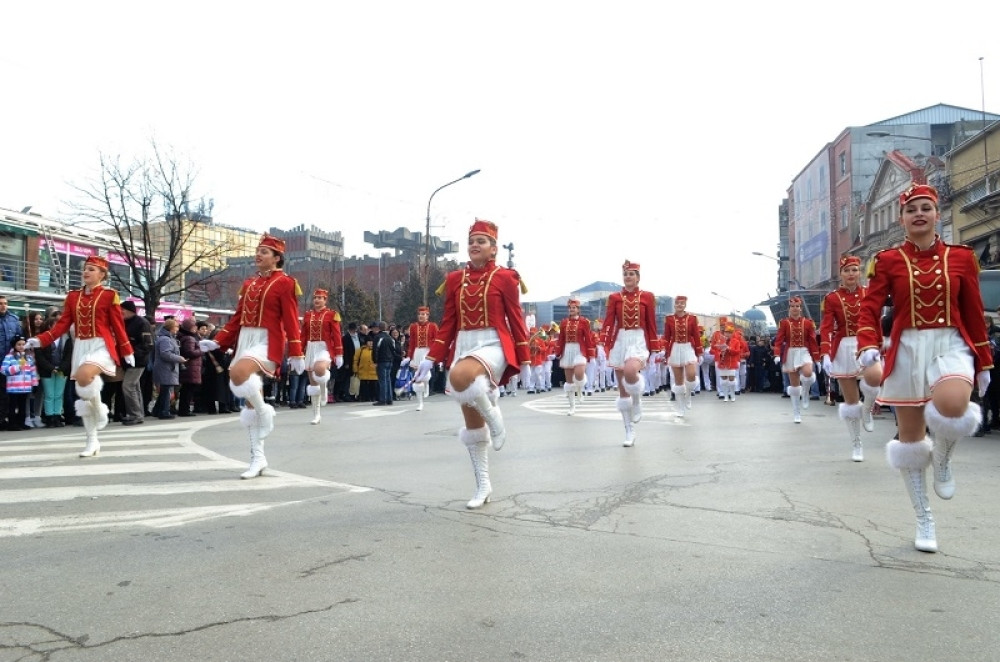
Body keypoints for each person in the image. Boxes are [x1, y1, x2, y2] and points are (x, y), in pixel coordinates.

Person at [856, 183, 991, 553]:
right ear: (902, 218)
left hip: (950, 342)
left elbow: (974, 311)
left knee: (953, 405)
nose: (919, 213)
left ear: (937, 214)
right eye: (912, 208)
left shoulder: (962, 258)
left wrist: (983, 360)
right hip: (907, 347)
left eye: (926, 207)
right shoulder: (887, 260)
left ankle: (944, 458)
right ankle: (924, 518)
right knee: (911, 441)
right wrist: (868, 343)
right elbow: (869, 307)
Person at [412, 219, 530, 509]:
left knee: (460, 376)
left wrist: (524, 358)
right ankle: (483, 485)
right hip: (464, 343)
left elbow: (515, 318)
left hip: (493, 343)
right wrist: (431, 357)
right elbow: (450, 322)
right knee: (472, 427)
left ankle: (495, 418)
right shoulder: (454, 279)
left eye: (482, 241)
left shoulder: (505, 277)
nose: (475, 245)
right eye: (472, 240)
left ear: (493, 249)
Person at [200, 234, 305, 479]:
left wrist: (297, 351)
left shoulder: (286, 283)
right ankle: (257, 457)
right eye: (258, 251)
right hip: (245, 339)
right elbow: (237, 318)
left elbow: (290, 318)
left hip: (267, 341)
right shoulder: (249, 284)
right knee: (248, 402)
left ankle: (265, 411)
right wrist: (217, 341)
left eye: (265, 252)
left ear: (277, 258)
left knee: (238, 373)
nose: (258, 255)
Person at [27, 256, 134, 457]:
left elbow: (118, 325)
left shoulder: (109, 295)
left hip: (101, 344)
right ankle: (92, 439)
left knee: (85, 376)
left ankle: (101, 411)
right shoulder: (73, 297)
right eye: (85, 269)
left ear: (102, 274)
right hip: (81, 345)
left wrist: (127, 349)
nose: (86, 272)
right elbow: (62, 325)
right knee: (83, 390)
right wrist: (41, 340)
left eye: (92, 269)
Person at [819, 255, 883, 461]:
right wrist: (825, 354)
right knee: (850, 400)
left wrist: (881, 343)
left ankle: (868, 409)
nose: (851, 274)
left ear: (860, 272)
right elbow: (827, 327)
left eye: (855, 270)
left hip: (867, 343)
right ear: (841, 274)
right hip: (844, 346)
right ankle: (857, 443)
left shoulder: (869, 293)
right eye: (847, 270)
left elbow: (876, 320)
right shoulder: (832, 298)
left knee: (875, 380)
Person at [598, 260, 659, 447]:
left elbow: (650, 323)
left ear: (638, 277)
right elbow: (609, 322)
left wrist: (654, 346)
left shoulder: (647, 297)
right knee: (623, 392)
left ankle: (638, 400)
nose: (628, 277)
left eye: (632, 274)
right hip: (620, 340)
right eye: (625, 274)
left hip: (638, 339)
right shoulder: (615, 297)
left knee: (631, 371)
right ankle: (629, 431)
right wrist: (603, 343)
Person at [772, 296, 820, 424]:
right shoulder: (784, 323)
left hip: (804, 351)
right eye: (792, 306)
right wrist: (777, 354)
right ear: (789, 308)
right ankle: (797, 413)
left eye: (797, 306)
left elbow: (813, 341)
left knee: (808, 373)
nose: (795, 309)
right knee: (794, 386)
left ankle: (806, 392)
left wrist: (817, 358)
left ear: (801, 308)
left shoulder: (808, 322)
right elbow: (779, 340)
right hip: (791, 353)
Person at [300, 288, 343, 424]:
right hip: (311, 347)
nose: (317, 300)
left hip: (324, 348)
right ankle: (316, 414)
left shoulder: (332, 314)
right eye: (315, 298)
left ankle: (324, 387)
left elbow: (336, 335)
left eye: (320, 298)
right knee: (313, 384)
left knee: (320, 369)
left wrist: (339, 353)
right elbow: (303, 335)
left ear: (325, 300)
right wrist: (298, 352)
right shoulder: (307, 315)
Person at [663, 295, 703, 417]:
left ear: (685, 305)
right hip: (675, 348)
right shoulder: (669, 319)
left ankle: (689, 394)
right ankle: (680, 407)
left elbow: (696, 335)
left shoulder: (692, 318)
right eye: (677, 303)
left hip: (688, 348)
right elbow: (666, 337)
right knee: (678, 381)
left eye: (682, 303)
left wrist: (699, 352)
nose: (679, 305)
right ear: (674, 304)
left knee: (691, 375)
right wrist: (666, 352)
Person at [556, 298, 595, 415]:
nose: (571, 310)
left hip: (579, 349)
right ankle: (572, 406)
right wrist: (558, 351)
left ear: (578, 310)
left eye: (574, 308)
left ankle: (580, 388)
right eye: (570, 308)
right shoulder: (563, 323)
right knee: (569, 381)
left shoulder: (584, 322)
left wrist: (591, 353)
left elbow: (588, 338)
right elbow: (561, 338)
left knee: (579, 373)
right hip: (568, 349)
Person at [35, 308, 72, 427]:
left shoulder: (66, 339)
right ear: (49, 326)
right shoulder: (42, 339)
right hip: (47, 371)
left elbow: (68, 355)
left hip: (62, 370)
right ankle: (50, 417)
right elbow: (40, 357)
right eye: (54, 325)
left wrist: (61, 368)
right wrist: (51, 368)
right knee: (49, 394)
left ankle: (57, 416)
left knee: (59, 394)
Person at [119, 301, 153, 425]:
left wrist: (131, 353)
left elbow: (148, 344)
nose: (120, 312)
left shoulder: (142, 323)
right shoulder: (126, 322)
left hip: (138, 361)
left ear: (130, 311)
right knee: (134, 387)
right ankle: (138, 413)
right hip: (129, 360)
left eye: (122, 310)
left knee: (128, 386)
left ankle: (135, 414)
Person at [406, 306, 439, 411]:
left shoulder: (433, 326)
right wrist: (409, 356)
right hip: (417, 351)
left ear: (427, 315)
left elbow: (437, 340)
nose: (421, 316)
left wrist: (435, 353)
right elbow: (411, 342)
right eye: (419, 314)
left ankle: (427, 383)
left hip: (428, 352)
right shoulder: (413, 326)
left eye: (423, 314)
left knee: (426, 373)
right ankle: (420, 403)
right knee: (417, 376)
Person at [3, 336, 38, 430]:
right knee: (13, 406)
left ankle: (21, 422)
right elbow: (3, 370)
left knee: (22, 405)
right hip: (13, 387)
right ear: (14, 345)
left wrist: (34, 384)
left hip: (25, 387)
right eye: (19, 344)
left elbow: (32, 371)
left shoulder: (28, 357)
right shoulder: (9, 357)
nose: (21, 346)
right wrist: (17, 367)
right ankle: (12, 423)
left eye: (23, 344)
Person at [152, 319, 184, 419]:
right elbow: (165, 354)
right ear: (170, 327)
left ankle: (157, 410)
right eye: (176, 327)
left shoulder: (168, 338)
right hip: (166, 368)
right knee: (166, 390)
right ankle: (164, 411)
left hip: (167, 367)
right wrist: (179, 359)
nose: (178, 329)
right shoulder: (165, 339)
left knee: (165, 390)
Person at [0, 295, 23, 428]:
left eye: (5, 303)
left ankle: (5, 419)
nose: (3, 306)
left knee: (7, 393)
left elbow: (19, 340)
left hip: (9, 363)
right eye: (0, 303)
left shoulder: (13, 319)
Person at [177, 317, 204, 417]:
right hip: (191, 367)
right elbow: (190, 352)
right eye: (193, 327)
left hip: (190, 367)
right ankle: (185, 410)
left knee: (187, 389)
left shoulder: (185, 337)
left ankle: (184, 409)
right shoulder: (189, 338)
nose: (195, 329)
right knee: (188, 390)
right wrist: (201, 350)